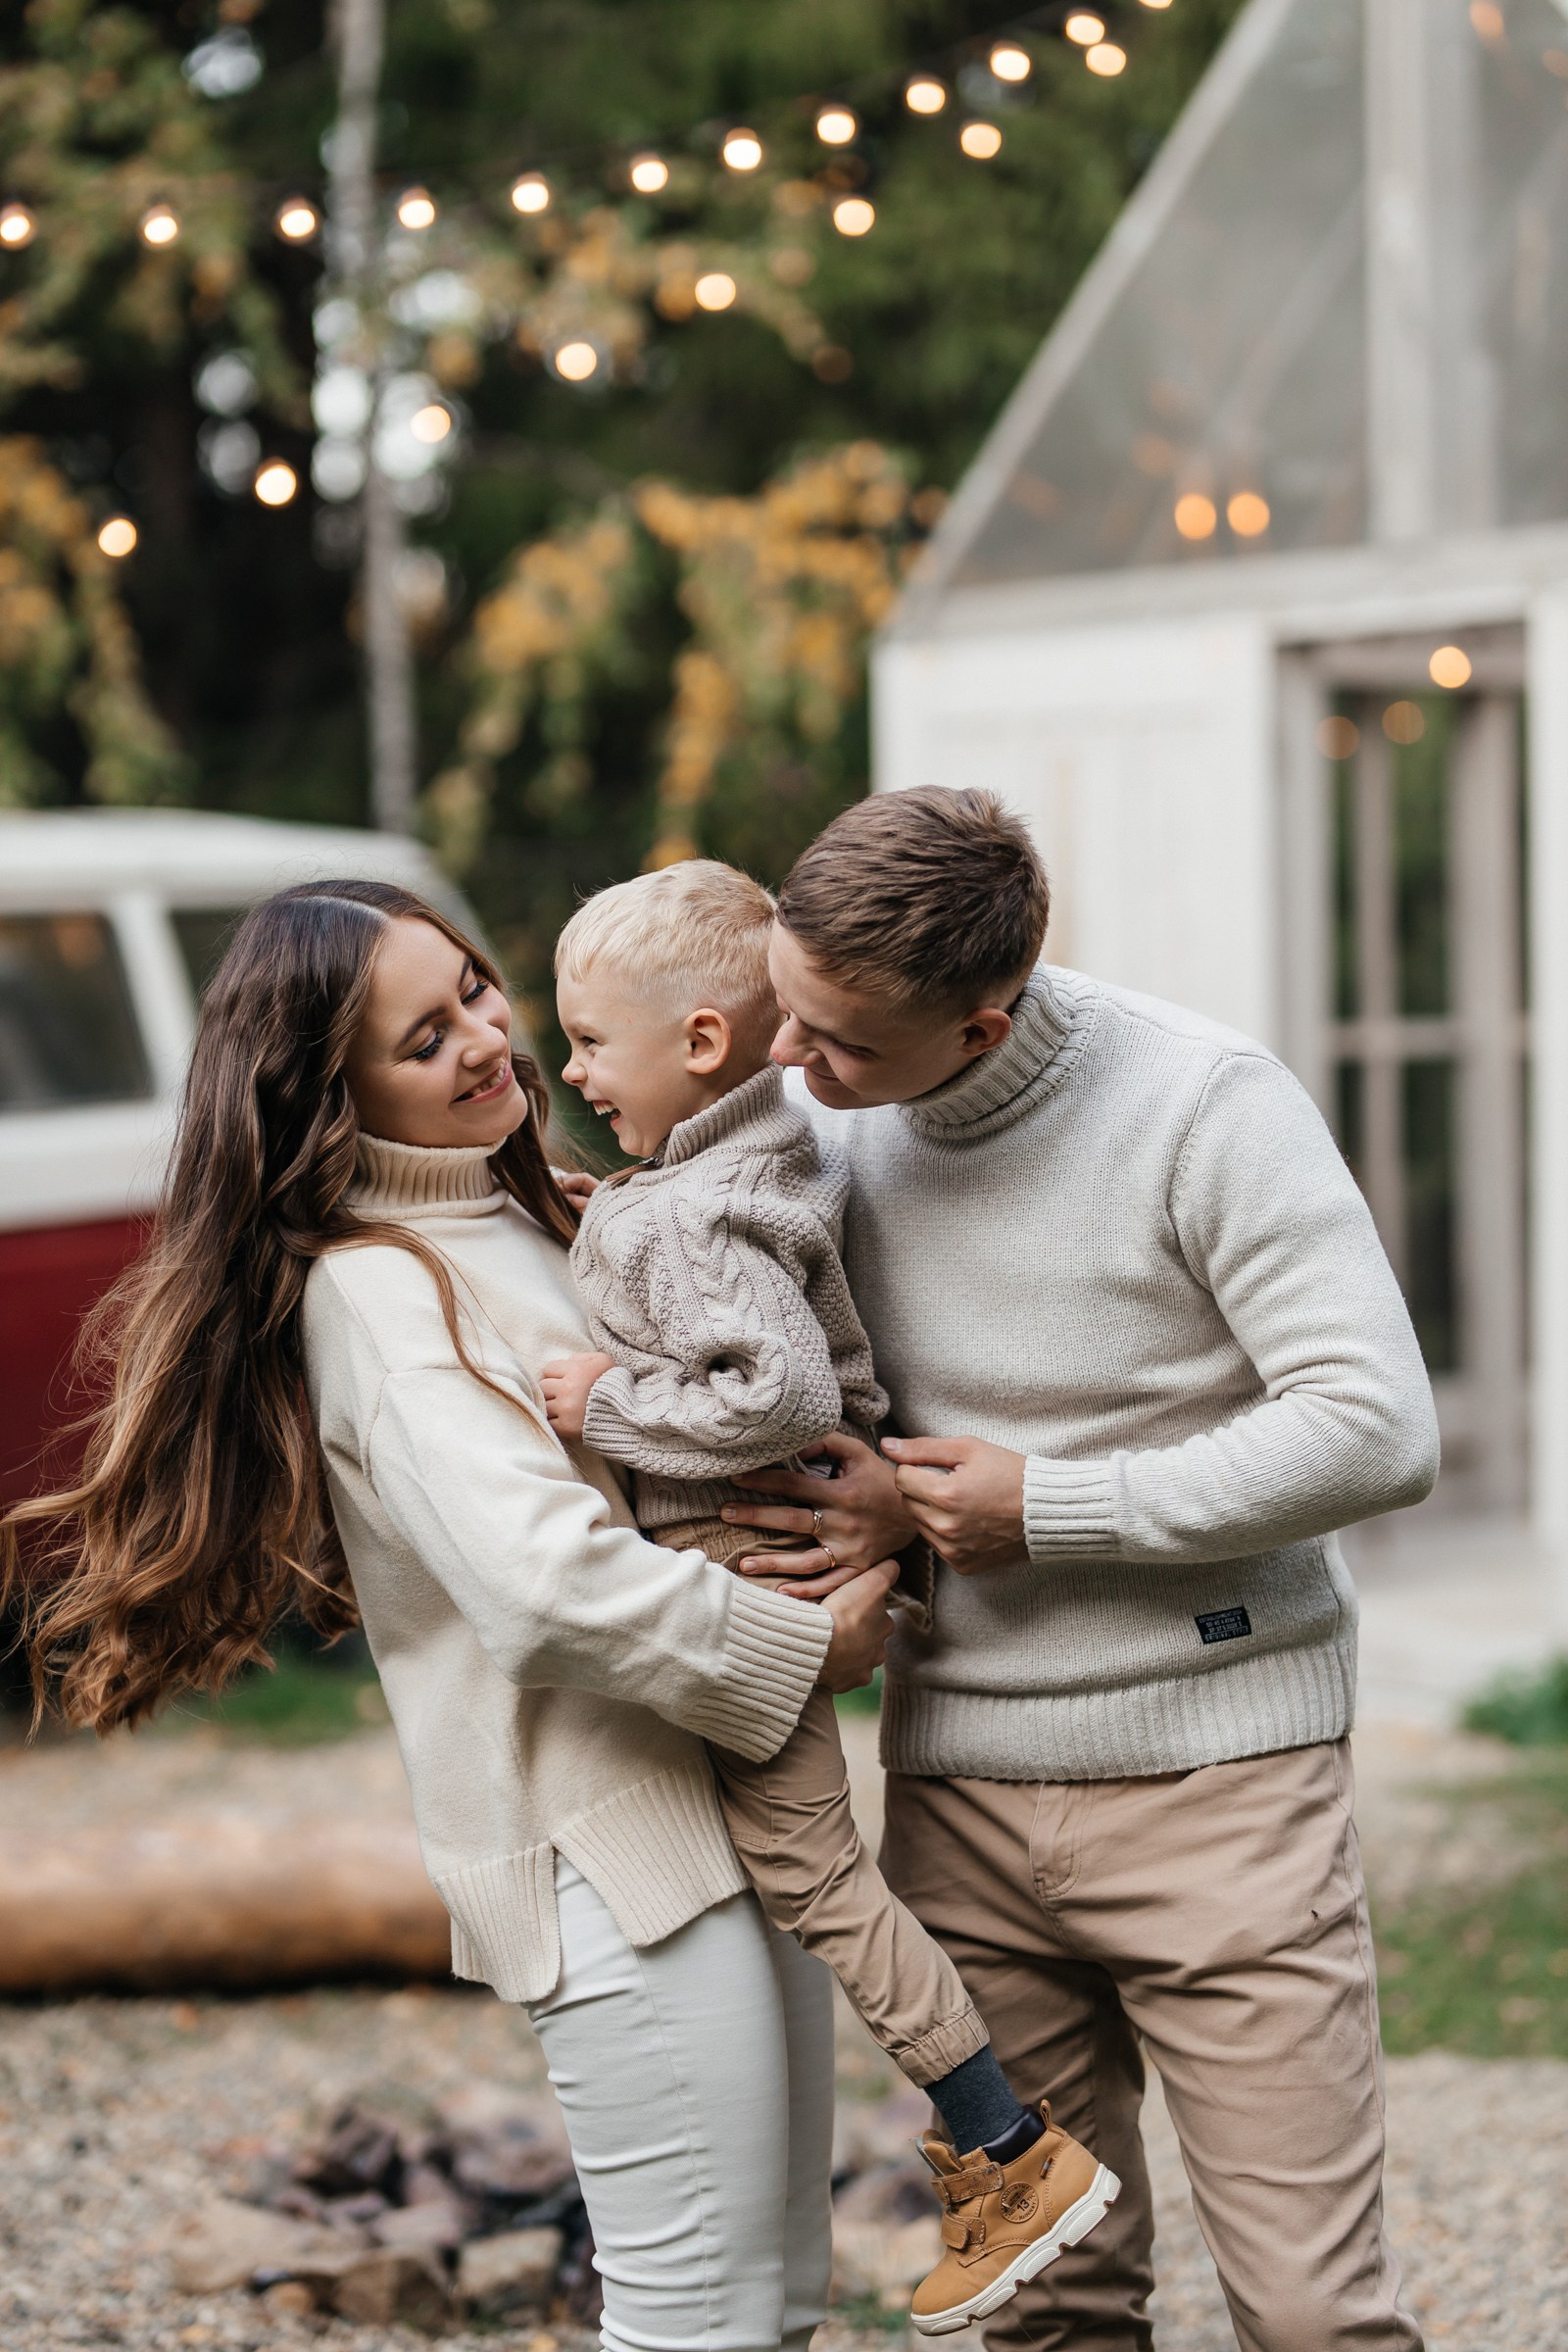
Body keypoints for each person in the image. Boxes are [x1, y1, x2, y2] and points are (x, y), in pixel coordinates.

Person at [2, 877, 896, 2352]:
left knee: (780, 2303)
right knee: (695, 2321)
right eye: (427, 1037)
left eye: (477, 988)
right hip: (607, 1858)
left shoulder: (542, 1214)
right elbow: (543, 1587)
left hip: (728, 1812)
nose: (491, 1038)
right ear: (333, 1098)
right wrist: (813, 1644)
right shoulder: (380, 1296)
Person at [723, 788, 1440, 2352]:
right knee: (1052, 2314)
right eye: (786, 1009)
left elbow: (1378, 1428)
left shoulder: (1203, 1107)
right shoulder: (821, 1115)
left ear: (983, 1030)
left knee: (1317, 2316)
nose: (791, 1062)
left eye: (837, 1040)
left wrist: (1054, 1508)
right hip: (960, 1795)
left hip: (1223, 1782)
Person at [537, 860, 1119, 2336]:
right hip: (769, 1551)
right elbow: (702, 1247)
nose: (569, 1066)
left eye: (592, 1040)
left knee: (815, 1878)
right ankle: (1000, 2140)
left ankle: (1008, 2147)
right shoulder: (730, 1163)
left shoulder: (698, 1211)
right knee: (795, 1868)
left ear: (702, 1047)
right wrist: (610, 1213)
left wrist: (608, 1403)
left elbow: (770, 1386)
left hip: (751, 1555)